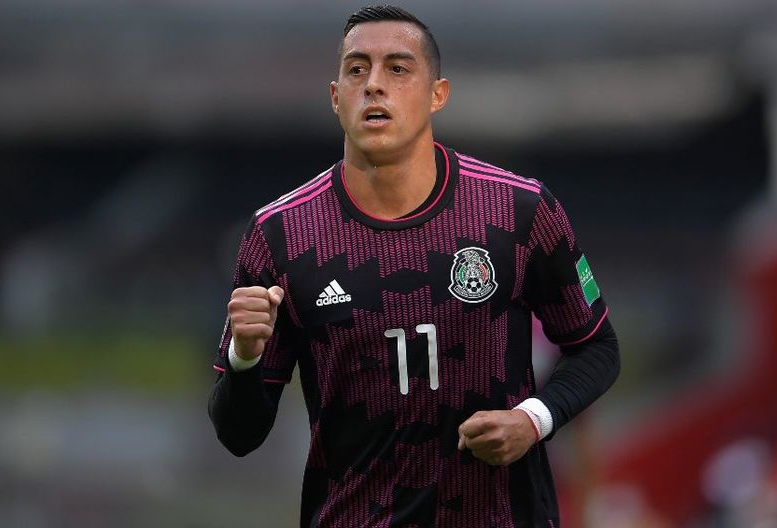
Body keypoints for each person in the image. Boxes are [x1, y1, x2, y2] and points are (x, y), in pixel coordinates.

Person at [208, 5, 620, 527]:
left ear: (437, 94)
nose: (374, 85)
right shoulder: (279, 236)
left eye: (398, 68)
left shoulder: (519, 210)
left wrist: (533, 420)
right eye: (357, 69)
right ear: (335, 97)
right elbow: (238, 435)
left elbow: (597, 347)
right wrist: (245, 358)